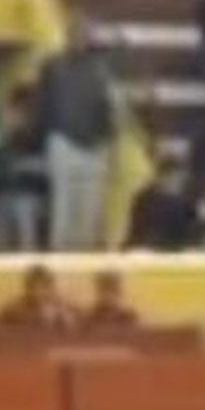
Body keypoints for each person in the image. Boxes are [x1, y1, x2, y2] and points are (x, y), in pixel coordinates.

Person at [36, 21, 119, 250]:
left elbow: (109, 109)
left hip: (95, 145)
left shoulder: (100, 69)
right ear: (67, 36)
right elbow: (44, 104)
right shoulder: (53, 66)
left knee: (90, 212)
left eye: (84, 35)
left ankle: (84, 258)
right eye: (75, 35)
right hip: (63, 140)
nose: (80, 40)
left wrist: (109, 143)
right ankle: (60, 257)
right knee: (63, 208)